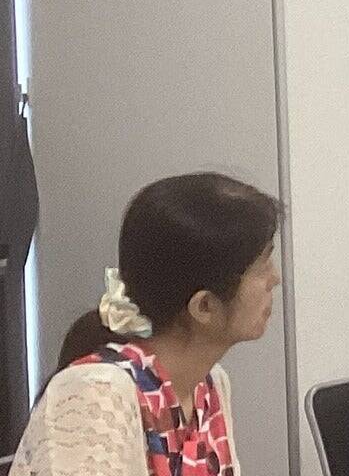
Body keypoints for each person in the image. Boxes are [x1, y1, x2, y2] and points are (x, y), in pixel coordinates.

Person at [12, 172, 282, 476]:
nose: (275, 279)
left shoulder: (210, 385)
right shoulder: (97, 395)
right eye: (262, 266)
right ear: (204, 306)